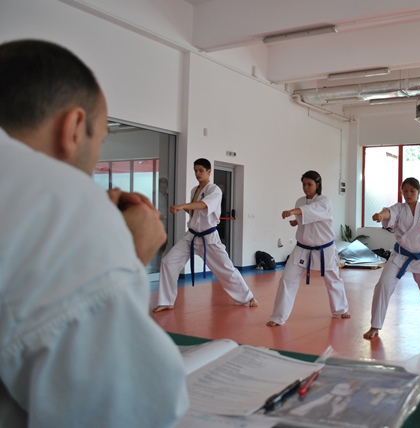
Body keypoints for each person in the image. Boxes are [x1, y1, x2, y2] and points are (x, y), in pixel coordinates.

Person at [0, 39, 188, 426]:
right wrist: (126, 257)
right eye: (100, 139)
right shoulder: (62, 200)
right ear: (73, 127)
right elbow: (129, 410)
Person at [153, 158, 258, 312]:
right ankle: (166, 301)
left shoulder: (214, 190)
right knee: (168, 262)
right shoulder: (194, 190)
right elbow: (195, 212)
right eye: (195, 170)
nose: (197, 173)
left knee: (226, 269)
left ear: (209, 171)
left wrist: (182, 205)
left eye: (201, 170)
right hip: (191, 236)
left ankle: (247, 297)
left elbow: (204, 205)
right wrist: (185, 208)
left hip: (209, 238)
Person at [363, 177, 420, 340]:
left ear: (418, 192)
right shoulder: (399, 208)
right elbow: (389, 212)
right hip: (400, 256)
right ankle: (375, 325)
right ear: (401, 192)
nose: (408, 194)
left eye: (412, 191)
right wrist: (380, 215)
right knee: (383, 285)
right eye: (405, 191)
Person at [267, 170, 350, 326]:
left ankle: (340, 310)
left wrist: (292, 212)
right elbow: (305, 219)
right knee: (287, 279)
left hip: (324, 248)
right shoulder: (300, 201)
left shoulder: (324, 201)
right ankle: (278, 317)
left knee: (333, 280)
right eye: (304, 184)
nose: (306, 187)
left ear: (317, 185)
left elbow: (312, 211)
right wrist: (296, 221)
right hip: (302, 248)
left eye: (309, 184)